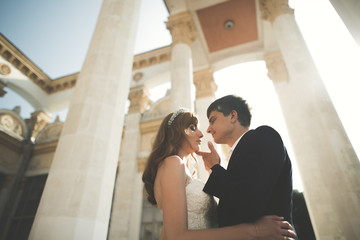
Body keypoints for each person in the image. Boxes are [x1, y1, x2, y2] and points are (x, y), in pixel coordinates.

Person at [142, 108, 297, 240]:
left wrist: (215, 168)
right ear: (176, 132)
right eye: (192, 127)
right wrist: (255, 230)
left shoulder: (179, 167)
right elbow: (177, 236)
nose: (202, 134)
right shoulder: (173, 163)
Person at [196, 95, 295, 229]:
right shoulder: (240, 152)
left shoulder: (264, 136)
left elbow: (249, 203)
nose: (208, 129)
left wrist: (215, 168)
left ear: (232, 116)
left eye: (213, 120)